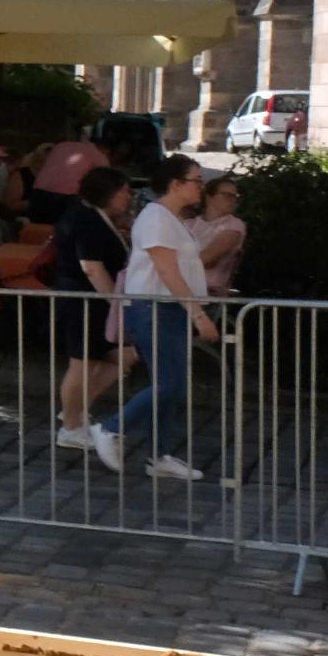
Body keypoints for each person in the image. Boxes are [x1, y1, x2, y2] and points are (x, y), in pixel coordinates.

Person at [90, 157, 219, 481]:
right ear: (176, 184)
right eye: (196, 180)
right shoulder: (157, 218)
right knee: (170, 383)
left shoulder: (170, 219)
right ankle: (110, 428)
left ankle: (160, 454)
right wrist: (198, 314)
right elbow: (166, 270)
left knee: (172, 385)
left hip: (165, 309)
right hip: (154, 308)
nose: (200, 187)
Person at [47, 166, 138, 450]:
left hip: (94, 304)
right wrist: (116, 302)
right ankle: (71, 427)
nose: (128, 197)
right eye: (124, 191)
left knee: (123, 357)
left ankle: (75, 410)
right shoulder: (85, 219)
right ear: (108, 193)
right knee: (82, 363)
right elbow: (92, 267)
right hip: (83, 302)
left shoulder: (95, 217)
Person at [26, 132, 110, 224]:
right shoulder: (97, 154)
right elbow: (107, 180)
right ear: (104, 149)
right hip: (66, 196)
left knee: (38, 227)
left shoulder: (61, 145)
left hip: (39, 190)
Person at [187, 174, 246, 299]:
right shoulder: (189, 224)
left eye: (235, 197)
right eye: (227, 196)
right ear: (209, 197)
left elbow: (206, 258)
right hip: (182, 289)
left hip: (209, 294)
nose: (233, 200)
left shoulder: (234, 225)